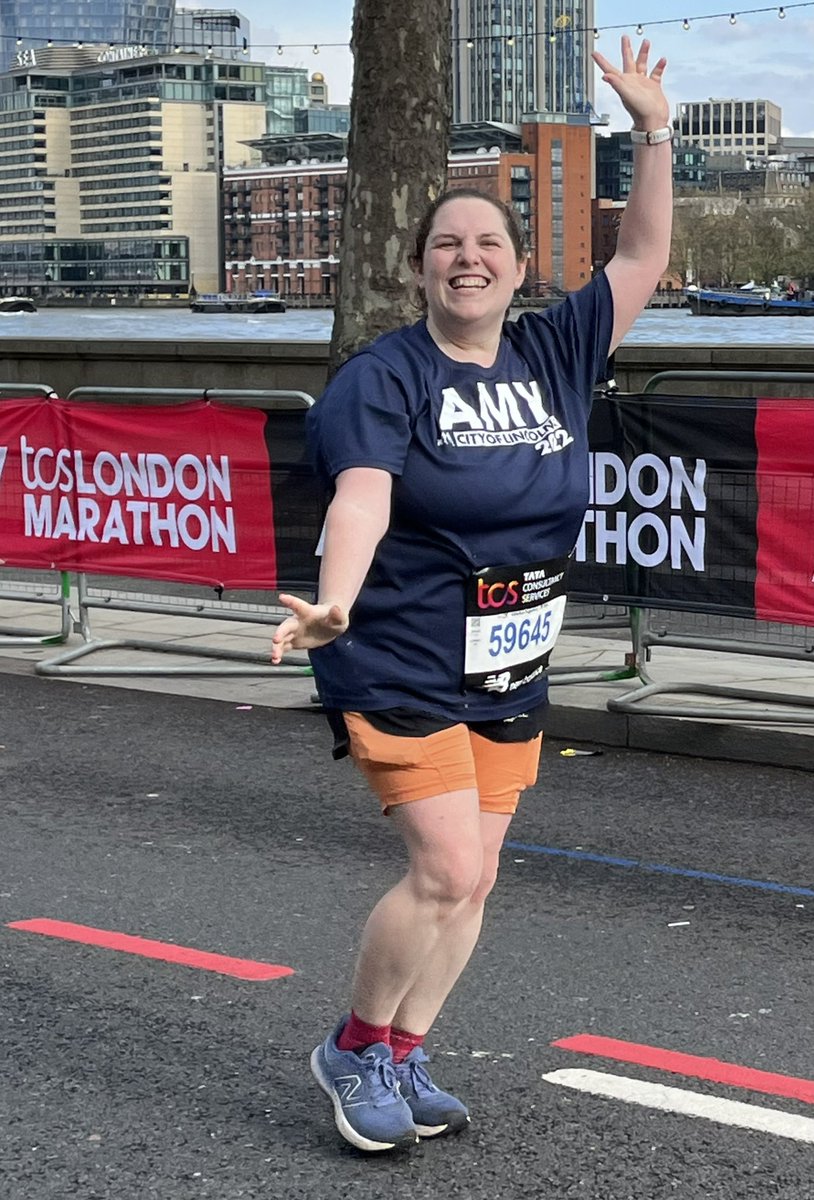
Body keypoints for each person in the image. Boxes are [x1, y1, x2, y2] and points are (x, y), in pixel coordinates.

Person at [271, 36, 673, 1153]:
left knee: (480, 875)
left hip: (509, 658)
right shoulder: (383, 376)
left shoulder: (552, 351)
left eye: (487, 242)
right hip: (396, 651)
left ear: (516, 262)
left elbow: (639, 259)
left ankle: (405, 1055)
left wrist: (650, 135)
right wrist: (335, 599)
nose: (468, 258)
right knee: (445, 865)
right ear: (416, 269)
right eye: (446, 244)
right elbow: (359, 495)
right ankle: (354, 1049)